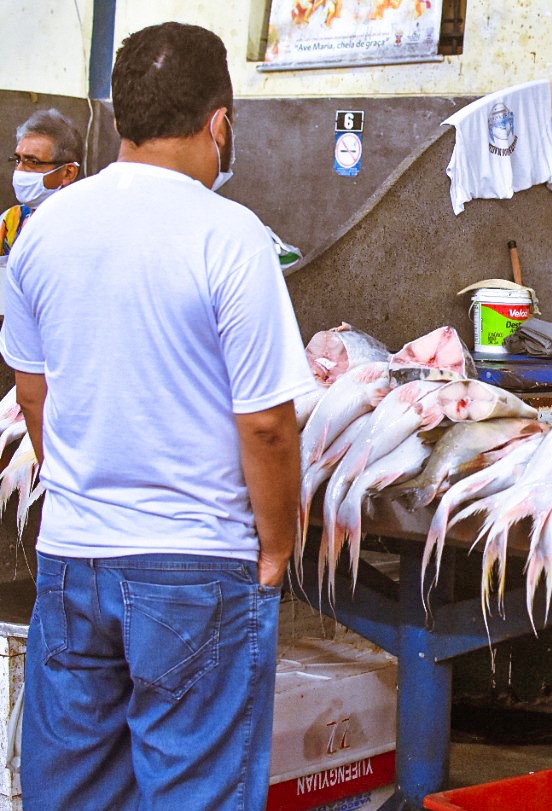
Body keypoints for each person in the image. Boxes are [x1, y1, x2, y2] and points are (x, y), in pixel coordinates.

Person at [2, 22, 314, 810]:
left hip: (73, 559)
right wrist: (278, 541)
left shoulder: (42, 233)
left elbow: (31, 392)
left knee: (71, 793)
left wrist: (78, 483)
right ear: (220, 123)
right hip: (196, 565)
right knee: (191, 791)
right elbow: (268, 425)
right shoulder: (232, 236)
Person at [2, 109, 82, 256]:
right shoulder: (11, 219)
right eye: (18, 160)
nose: (20, 170)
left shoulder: (78, 227)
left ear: (68, 173)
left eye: (32, 161)